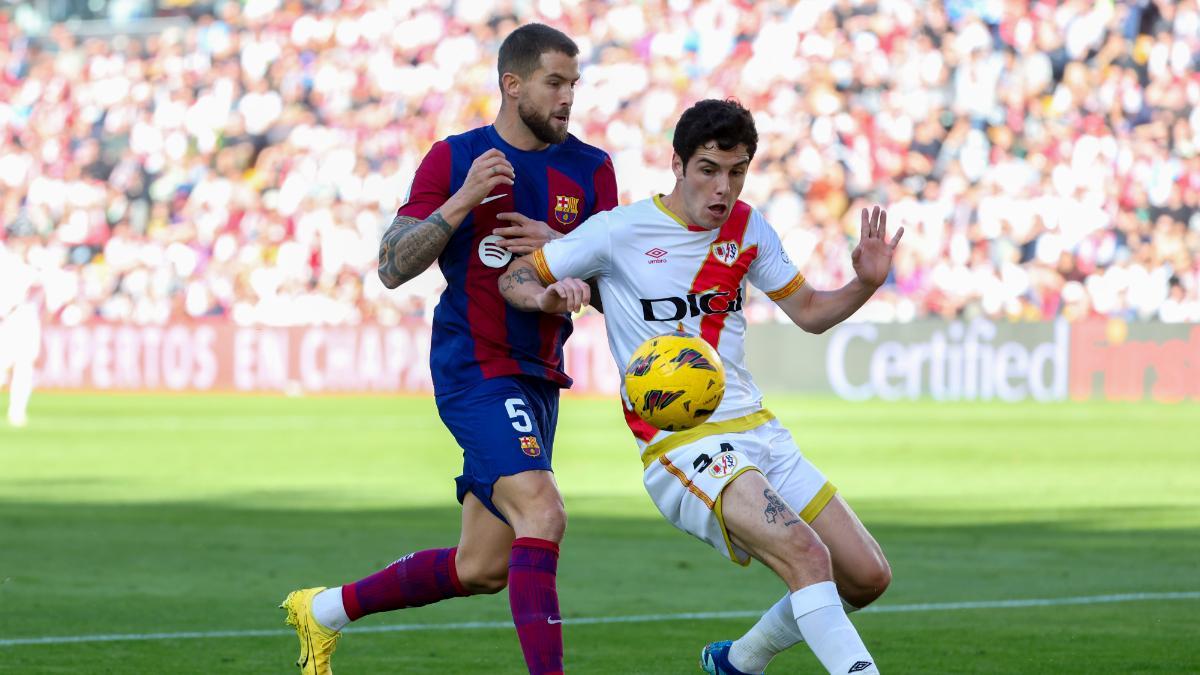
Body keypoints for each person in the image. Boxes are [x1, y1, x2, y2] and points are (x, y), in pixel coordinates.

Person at [498, 99, 901, 675]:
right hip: (682, 441)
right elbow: (514, 276)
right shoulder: (619, 231)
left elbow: (810, 311)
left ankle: (738, 662)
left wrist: (863, 283)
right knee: (807, 556)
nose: (723, 188)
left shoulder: (748, 227)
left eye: (737, 173)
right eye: (709, 170)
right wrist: (547, 296)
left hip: (758, 429)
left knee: (866, 576)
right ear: (679, 166)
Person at [280, 23, 617, 675]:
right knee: (543, 510)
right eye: (554, 83)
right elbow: (390, 266)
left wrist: (563, 246)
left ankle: (322, 610)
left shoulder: (592, 169)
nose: (568, 98)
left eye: (574, 84)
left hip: (541, 376)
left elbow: (615, 293)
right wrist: (463, 201)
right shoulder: (455, 157)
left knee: (483, 565)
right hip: (476, 368)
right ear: (511, 83)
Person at [0, 240, 41, 428]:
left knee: (24, 366)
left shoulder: (34, 261)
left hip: (25, 317)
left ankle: (17, 412)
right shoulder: (9, 262)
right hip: (8, 320)